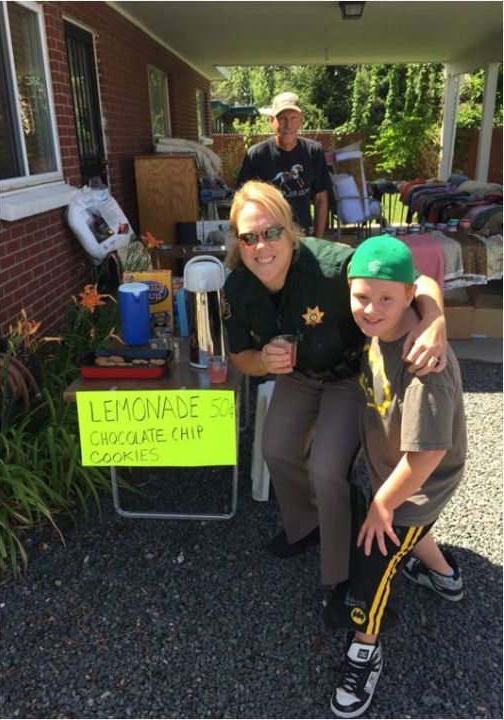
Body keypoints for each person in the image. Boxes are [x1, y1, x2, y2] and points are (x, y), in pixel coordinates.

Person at [221, 180, 448, 593]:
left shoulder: (331, 264)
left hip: (348, 374)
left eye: (271, 232)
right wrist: (262, 360)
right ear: (238, 243)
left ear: (290, 230)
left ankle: (341, 573)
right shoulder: (237, 287)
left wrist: (434, 321)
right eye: (248, 237)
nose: (261, 246)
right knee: (275, 447)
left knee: (326, 468)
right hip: (300, 374)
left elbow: (415, 280)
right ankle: (306, 525)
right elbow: (240, 357)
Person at [325, 235, 465, 719]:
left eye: (386, 298)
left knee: (374, 556)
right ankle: (446, 577)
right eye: (361, 296)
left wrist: (382, 504)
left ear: (410, 296)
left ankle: (365, 647)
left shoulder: (424, 364)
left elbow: (428, 455)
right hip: (395, 470)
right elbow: (418, 280)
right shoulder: (380, 331)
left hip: (415, 481)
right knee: (411, 535)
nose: (370, 308)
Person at [236, 92, 331, 237]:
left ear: (301, 121)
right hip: (271, 236)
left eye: (293, 118)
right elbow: (243, 201)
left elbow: (321, 198)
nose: (288, 125)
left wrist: (319, 239)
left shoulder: (313, 151)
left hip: (304, 235)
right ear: (271, 121)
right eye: (282, 119)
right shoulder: (256, 155)